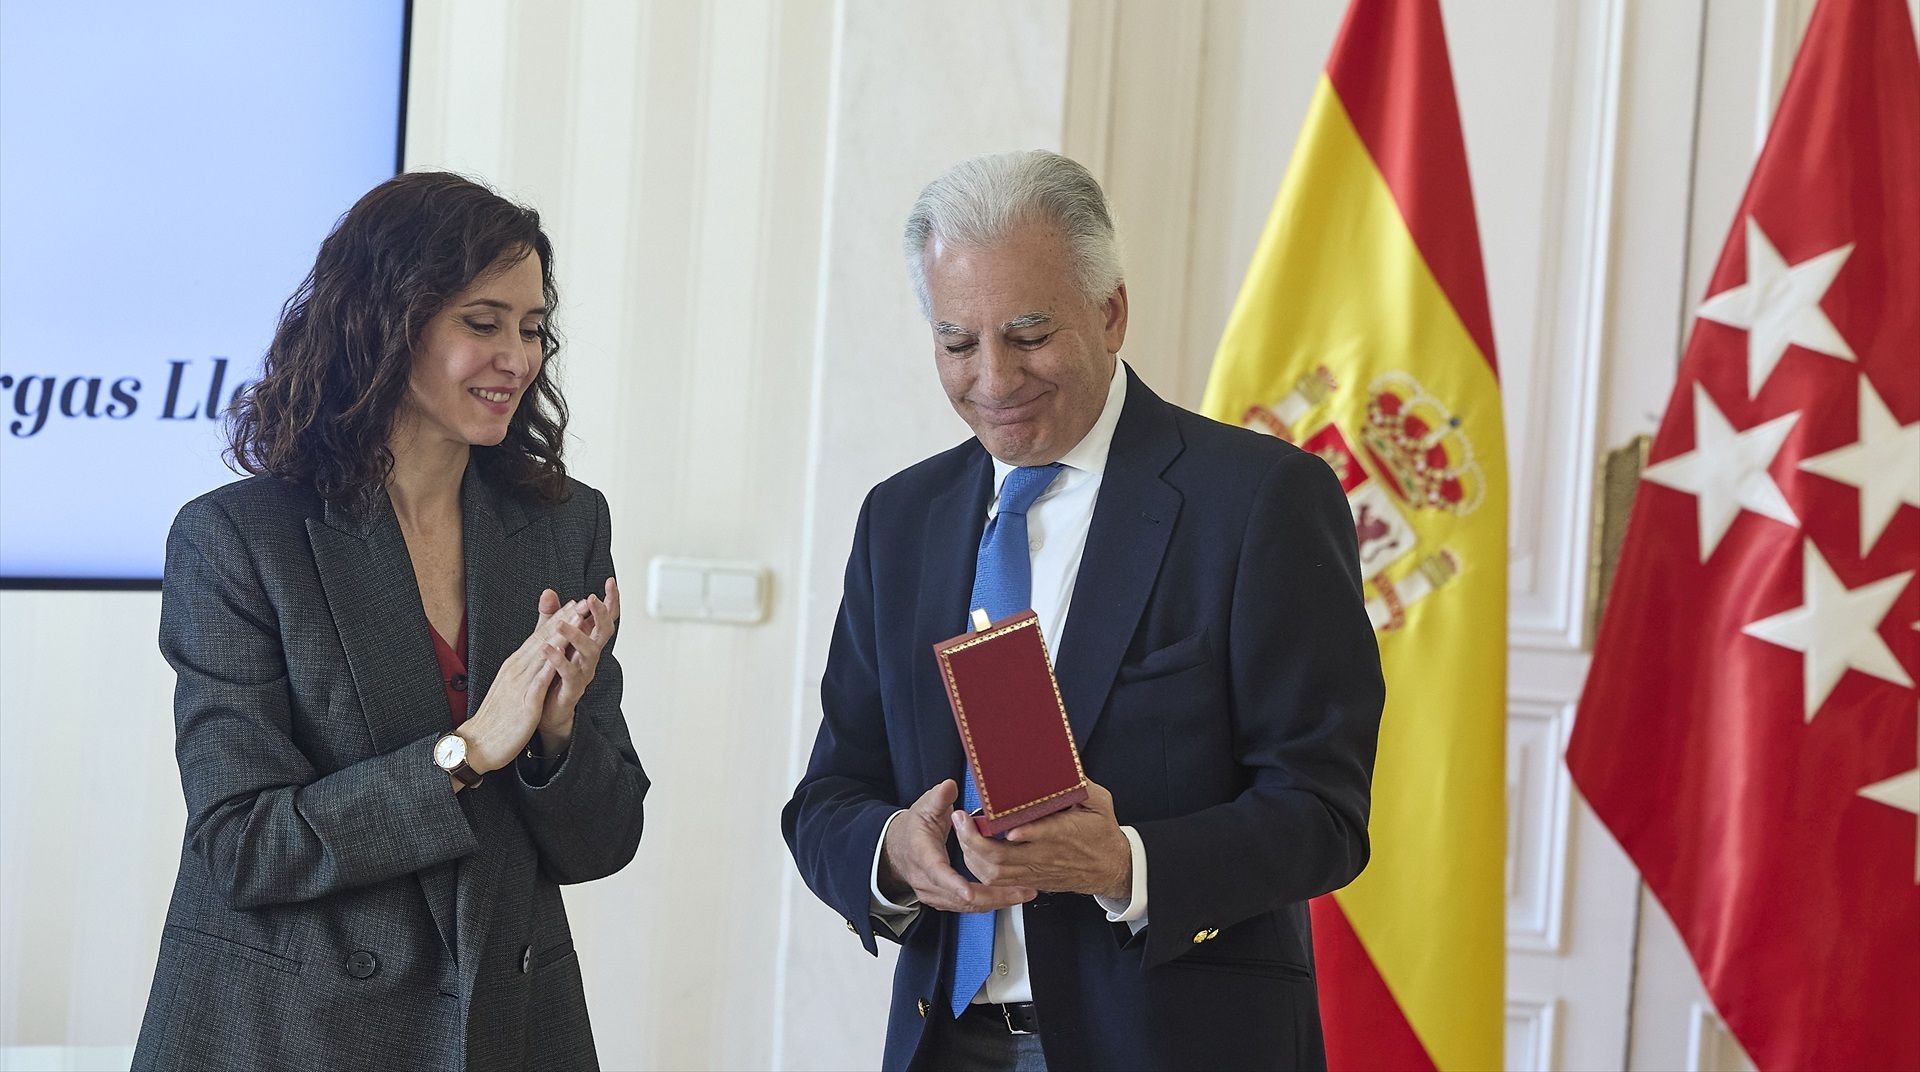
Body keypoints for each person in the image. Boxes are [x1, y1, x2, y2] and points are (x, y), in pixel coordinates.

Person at [783, 150, 1383, 1071]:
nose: (992, 378)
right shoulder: (900, 519)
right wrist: (894, 852)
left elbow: (1324, 812)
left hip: (1176, 1043)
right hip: (948, 1043)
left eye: (1028, 336)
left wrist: (1127, 864)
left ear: (1111, 313)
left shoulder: (1261, 501)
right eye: (956, 343)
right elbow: (828, 796)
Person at [133, 173, 648, 1072]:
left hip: (507, 1029)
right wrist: (472, 749)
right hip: (293, 1034)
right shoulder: (235, 539)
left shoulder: (567, 524)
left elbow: (605, 842)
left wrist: (553, 738)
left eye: (531, 328)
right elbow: (246, 847)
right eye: (481, 323)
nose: (517, 358)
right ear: (383, 321)